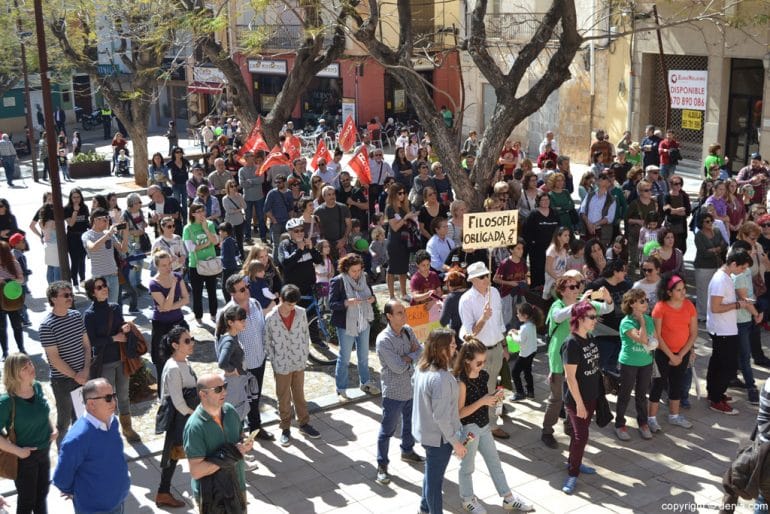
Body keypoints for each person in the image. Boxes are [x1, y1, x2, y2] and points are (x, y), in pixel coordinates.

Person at [453, 338, 534, 513]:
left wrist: (496, 398)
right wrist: (483, 401)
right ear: (467, 360)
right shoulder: (461, 381)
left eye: (484, 361)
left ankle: (508, 498)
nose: (483, 365)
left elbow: (487, 401)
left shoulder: (484, 375)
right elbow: (460, 413)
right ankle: (467, 500)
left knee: (495, 463)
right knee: (467, 467)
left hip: (484, 426)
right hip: (469, 429)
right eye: (479, 362)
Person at [542, 273, 613, 449]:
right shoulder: (557, 305)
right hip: (559, 360)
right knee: (556, 398)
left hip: (580, 361)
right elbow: (559, 316)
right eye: (571, 287)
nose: (577, 289)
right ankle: (546, 431)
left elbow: (606, 309)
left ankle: (569, 426)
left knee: (574, 397)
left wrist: (608, 298)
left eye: (578, 285)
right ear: (562, 291)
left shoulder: (582, 301)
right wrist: (580, 304)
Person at [53, 378, 131, 514]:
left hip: (118, 500)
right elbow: (61, 478)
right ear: (91, 404)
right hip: (94, 509)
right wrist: (75, 492)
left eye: (113, 396)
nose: (114, 401)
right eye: (108, 398)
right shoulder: (77, 438)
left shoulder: (113, 422)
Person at [412, 328, 467, 514]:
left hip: (426, 433)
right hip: (439, 439)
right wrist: (456, 443)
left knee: (430, 475)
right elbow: (442, 418)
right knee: (435, 484)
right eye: (452, 345)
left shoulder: (422, 367)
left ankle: (424, 509)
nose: (455, 348)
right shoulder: (441, 379)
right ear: (442, 349)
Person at [83, 277, 141, 444]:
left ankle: (127, 429)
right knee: (106, 399)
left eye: (105, 285)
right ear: (92, 293)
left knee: (123, 396)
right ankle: (108, 430)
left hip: (121, 359)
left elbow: (119, 328)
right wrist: (113, 338)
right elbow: (92, 341)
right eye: (99, 287)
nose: (104, 289)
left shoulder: (115, 307)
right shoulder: (89, 315)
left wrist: (125, 328)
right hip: (105, 362)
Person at [183, 373, 251, 513]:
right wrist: (230, 455)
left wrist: (244, 445)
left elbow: (239, 439)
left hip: (238, 487)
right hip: (212, 496)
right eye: (218, 389)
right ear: (203, 394)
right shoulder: (194, 427)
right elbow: (196, 471)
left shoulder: (230, 411)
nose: (225, 392)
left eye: (224, 386)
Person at [264, 285, 321, 446]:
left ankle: (304, 423)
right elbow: (267, 341)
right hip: (281, 363)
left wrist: (304, 354)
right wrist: (274, 359)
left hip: (298, 360)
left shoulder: (301, 313)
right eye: (289, 304)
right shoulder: (271, 318)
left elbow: (305, 335)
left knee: (299, 394)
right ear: (280, 299)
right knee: (283, 396)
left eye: (294, 304)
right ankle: (285, 427)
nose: (291, 307)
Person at [374, 300, 424, 484]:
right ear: (389, 316)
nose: (404, 315)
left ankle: (408, 451)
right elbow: (396, 367)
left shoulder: (408, 331)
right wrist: (411, 356)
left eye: (404, 311)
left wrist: (408, 356)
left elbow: (421, 349)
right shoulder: (384, 340)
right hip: (394, 391)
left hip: (411, 386)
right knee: (388, 429)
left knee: (410, 422)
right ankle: (382, 465)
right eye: (399, 313)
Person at [459, 261, 509, 439]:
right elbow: (469, 332)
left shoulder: (494, 292)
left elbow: (500, 321)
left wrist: (504, 346)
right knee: (483, 390)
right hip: (480, 353)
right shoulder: (466, 300)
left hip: (496, 348)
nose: (487, 279)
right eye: (482, 277)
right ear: (472, 280)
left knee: (496, 387)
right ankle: (488, 426)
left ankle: (492, 421)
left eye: (487, 275)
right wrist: (483, 318)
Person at [0, 354, 54, 514]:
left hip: (44, 451)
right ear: (15, 373)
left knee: (42, 495)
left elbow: (42, 412)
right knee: (27, 500)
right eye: (25, 367)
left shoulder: (36, 387)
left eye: (30, 363)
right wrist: (18, 451)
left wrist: (52, 429)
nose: (32, 368)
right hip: (24, 458)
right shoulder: (7, 401)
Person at [39, 281, 91, 446]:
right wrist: (76, 375)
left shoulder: (76, 315)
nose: (70, 297)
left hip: (83, 376)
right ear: (53, 299)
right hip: (63, 381)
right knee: (64, 422)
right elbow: (54, 359)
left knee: (82, 417)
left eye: (71, 294)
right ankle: (64, 456)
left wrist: (86, 370)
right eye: (65, 295)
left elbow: (87, 346)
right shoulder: (47, 326)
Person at [221, 274, 272, 440]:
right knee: (241, 402)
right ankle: (238, 435)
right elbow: (221, 342)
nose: (247, 290)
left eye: (247, 286)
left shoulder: (255, 304)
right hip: (241, 367)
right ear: (233, 293)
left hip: (259, 360)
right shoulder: (227, 313)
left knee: (255, 397)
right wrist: (232, 368)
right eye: (242, 289)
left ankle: (256, 429)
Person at [706, 249, 753, 415]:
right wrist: (739, 305)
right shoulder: (721, 279)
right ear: (733, 264)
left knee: (718, 362)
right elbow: (716, 307)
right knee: (728, 366)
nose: (743, 271)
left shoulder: (724, 277)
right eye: (742, 268)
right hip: (723, 329)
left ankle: (714, 393)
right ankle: (716, 399)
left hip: (723, 328)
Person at [648, 273, 698, 431]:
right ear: (669, 292)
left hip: (681, 354)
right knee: (658, 384)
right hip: (663, 354)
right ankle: (651, 419)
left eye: (684, 289)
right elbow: (658, 335)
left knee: (677, 384)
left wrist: (681, 355)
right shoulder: (660, 307)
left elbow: (693, 332)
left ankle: (674, 416)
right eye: (678, 290)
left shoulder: (689, 305)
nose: (683, 292)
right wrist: (671, 356)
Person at [561, 301, 601, 494]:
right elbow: (570, 378)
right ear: (579, 319)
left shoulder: (590, 337)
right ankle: (573, 473)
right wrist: (579, 404)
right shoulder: (571, 343)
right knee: (581, 436)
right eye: (591, 317)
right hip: (577, 399)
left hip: (591, 395)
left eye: (595, 317)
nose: (595, 320)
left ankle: (572, 462)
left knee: (580, 435)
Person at [329, 254, 379, 400]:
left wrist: (372, 299)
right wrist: (346, 303)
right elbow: (331, 304)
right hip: (346, 325)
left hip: (364, 322)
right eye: (353, 271)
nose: (357, 274)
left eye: (359, 270)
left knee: (363, 356)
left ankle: (365, 383)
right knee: (344, 358)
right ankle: (341, 389)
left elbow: (372, 295)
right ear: (346, 270)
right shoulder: (338, 281)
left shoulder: (364, 278)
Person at [156, 326, 195, 509]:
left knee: (176, 455)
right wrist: (195, 414)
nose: (191, 343)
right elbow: (178, 402)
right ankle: (163, 493)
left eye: (191, 339)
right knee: (172, 455)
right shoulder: (172, 368)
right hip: (179, 417)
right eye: (186, 341)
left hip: (185, 416)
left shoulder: (184, 362)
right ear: (175, 345)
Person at [613, 289, 655, 442]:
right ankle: (619, 424)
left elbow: (653, 340)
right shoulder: (626, 322)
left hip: (646, 363)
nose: (646, 303)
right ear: (632, 304)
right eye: (642, 301)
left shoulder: (649, 319)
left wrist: (645, 322)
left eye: (646, 300)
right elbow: (643, 340)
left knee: (642, 395)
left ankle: (643, 423)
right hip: (629, 363)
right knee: (624, 395)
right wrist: (642, 322)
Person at [148, 250, 189, 388]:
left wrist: (169, 307)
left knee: (180, 357)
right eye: (164, 265)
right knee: (162, 361)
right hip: (161, 326)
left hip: (177, 322)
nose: (168, 267)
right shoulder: (153, 283)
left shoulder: (177, 276)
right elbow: (164, 304)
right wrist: (172, 287)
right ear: (157, 267)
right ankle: (163, 393)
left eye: (169, 264)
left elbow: (186, 299)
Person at [215, 304, 253, 423]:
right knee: (235, 417)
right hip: (233, 383)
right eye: (241, 320)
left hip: (235, 382)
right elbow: (222, 363)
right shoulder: (229, 341)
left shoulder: (231, 337)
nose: (244, 322)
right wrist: (233, 370)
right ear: (231, 323)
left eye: (244, 319)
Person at [183, 204, 219, 325]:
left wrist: (206, 230)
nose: (202, 213)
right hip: (196, 265)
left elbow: (215, 241)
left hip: (210, 262)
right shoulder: (187, 229)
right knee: (197, 293)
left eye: (203, 210)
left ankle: (214, 314)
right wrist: (205, 244)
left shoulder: (209, 224)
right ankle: (198, 317)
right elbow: (191, 248)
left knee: (212, 291)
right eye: (198, 211)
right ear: (193, 214)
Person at [82, 209, 128, 304]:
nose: (107, 222)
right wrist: (108, 234)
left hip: (113, 275)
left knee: (113, 306)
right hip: (99, 278)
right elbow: (92, 247)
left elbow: (123, 249)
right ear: (96, 220)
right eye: (105, 219)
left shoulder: (108, 234)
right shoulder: (87, 235)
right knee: (101, 306)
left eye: (108, 219)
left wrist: (126, 233)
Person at [385, 183, 418, 300]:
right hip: (394, 242)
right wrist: (405, 218)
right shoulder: (390, 208)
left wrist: (412, 218)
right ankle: (392, 295)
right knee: (392, 269)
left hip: (405, 241)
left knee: (403, 269)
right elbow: (394, 227)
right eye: (400, 193)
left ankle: (404, 293)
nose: (402, 195)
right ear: (394, 194)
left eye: (404, 193)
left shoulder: (406, 206)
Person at [694, 212, 728, 321]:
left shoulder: (717, 231)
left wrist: (714, 250)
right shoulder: (699, 235)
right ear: (701, 223)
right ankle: (702, 315)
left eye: (711, 220)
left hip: (716, 265)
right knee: (703, 291)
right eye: (707, 221)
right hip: (703, 267)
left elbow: (724, 245)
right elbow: (704, 253)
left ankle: (712, 312)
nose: (710, 223)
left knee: (715, 290)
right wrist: (717, 249)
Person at [523, 192, 560, 289]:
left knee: (551, 268)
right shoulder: (533, 214)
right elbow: (526, 231)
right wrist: (531, 243)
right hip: (537, 249)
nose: (545, 202)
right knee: (538, 269)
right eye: (543, 200)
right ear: (538, 201)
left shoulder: (554, 213)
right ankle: (537, 288)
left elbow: (559, 229)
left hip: (552, 247)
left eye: (547, 199)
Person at [314, 185, 352, 259]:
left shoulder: (343, 207)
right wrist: (326, 244)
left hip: (343, 243)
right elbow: (317, 230)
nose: (332, 196)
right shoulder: (318, 211)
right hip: (327, 246)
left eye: (333, 194)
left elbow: (349, 225)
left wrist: (344, 239)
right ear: (324, 197)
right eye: (329, 194)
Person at [64, 189, 90, 291]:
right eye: (74, 197)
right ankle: (74, 282)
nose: (76, 199)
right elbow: (71, 223)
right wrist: (75, 211)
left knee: (82, 260)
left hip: (83, 236)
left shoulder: (84, 207)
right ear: (70, 198)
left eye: (78, 197)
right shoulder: (67, 208)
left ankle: (82, 280)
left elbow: (86, 221)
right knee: (74, 260)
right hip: (72, 237)